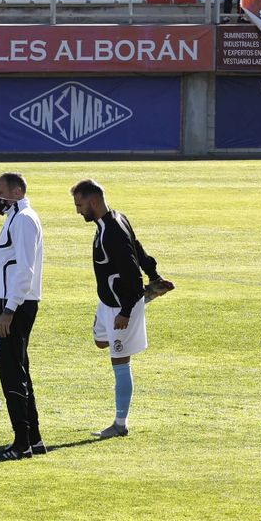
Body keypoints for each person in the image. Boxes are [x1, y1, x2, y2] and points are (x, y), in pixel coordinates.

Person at [71, 179, 173, 439]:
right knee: (100, 342)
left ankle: (120, 424)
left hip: (121, 305)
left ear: (93, 202)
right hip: (107, 302)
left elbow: (131, 272)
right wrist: (155, 275)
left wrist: (126, 312)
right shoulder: (114, 219)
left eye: (80, 205)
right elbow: (138, 248)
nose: (78, 211)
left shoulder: (112, 231)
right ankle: (147, 296)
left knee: (119, 361)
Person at [0, 172, 45, 460]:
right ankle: (32, 438)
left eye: (1, 193)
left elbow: (25, 269)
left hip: (15, 305)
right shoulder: (15, 217)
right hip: (12, 300)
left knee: (11, 371)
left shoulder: (23, 220)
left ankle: (21, 442)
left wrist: (9, 310)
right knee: (18, 368)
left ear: (18, 191)